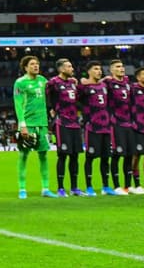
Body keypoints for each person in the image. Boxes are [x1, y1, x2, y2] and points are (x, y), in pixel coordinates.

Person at [11, 54, 53, 199]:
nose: (36, 66)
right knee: (23, 155)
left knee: (44, 155)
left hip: (42, 124)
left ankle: (46, 188)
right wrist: (22, 125)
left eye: (37, 64)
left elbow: (56, 89)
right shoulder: (20, 83)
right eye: (32, 64)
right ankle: (22, 189)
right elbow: (18, 105)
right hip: (27, 125)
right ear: (25, 67)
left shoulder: (43, 81)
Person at [45, 58, 83, 197]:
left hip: (75, 123)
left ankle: (74, 188)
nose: (72, 68)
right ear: (61, 69)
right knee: (63, 155)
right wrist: (51, 110)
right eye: (69, 66)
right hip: (62, 123)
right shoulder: (53, 83)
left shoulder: (73, 83)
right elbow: (47, 99)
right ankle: (61, 188)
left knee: (75, 156)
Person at [79, 61, 117, 196]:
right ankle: (89, 187)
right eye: (95, 69)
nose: (99, 71)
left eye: (100, 69)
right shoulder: (83, 87)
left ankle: (106, 186)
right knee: (90, 157)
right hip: (92, 127)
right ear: (89, 71)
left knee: (106, 158)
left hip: (106, 127)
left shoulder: (105, 85)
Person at [104, 58, 136, 195]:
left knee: (129, 155)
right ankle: (116, 186)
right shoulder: (108, 83)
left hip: (128, 123)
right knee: (117, 155)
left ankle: (127, 186)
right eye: (117, 66)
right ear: (111, 70)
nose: (121, 68)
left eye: (122, 66)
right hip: (115, 124)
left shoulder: (128, 83)